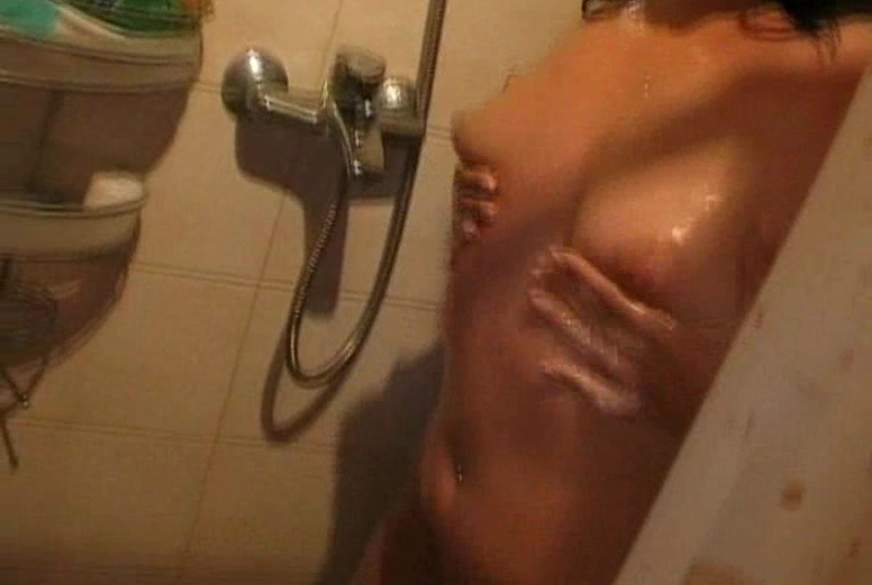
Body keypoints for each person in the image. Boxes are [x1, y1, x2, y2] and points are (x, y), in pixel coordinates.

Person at [352, 1, 872, 584]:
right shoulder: (617, 21)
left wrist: (732, 407)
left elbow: (848, 490)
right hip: (412, 544)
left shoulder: (852, 97)